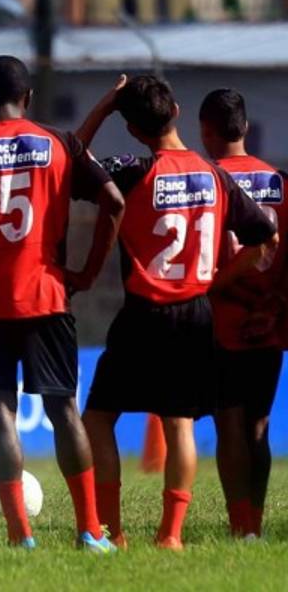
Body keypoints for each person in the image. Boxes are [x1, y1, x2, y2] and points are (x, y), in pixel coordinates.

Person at [78, 75, 278, 550]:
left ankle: (113, 531)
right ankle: (171, 536)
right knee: (179, 424)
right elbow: (264, 238)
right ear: (178, 114)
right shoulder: (215, 175)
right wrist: (216, 279)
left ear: (132, 130)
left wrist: (105, 105)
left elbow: (73, 157)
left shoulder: (131, 169)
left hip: (144, 313)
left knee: (98, 419)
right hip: (196, 313)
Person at [0, 55, 124, 552]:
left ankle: (21, 535)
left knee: (0, 412)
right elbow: (115, 202)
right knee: (64, 410)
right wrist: (85, 271)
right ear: (30, 99)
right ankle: (90, 530)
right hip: (49, 296)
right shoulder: (61, 144)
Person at [199, 89, 288, 538]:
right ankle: (255, 523)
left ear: (205, 130)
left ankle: (241, 527)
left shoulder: (207, 181)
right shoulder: (279, 180)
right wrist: (277, 307)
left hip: (220, 319)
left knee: (229, 422)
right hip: (269, 322)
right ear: (246, 129)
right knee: (259, 424)